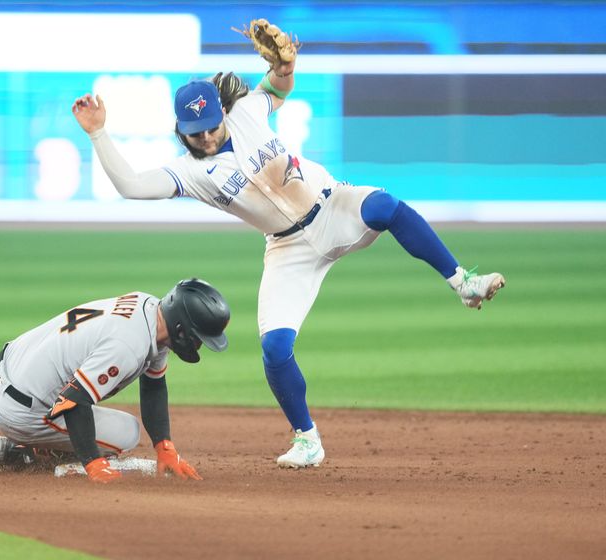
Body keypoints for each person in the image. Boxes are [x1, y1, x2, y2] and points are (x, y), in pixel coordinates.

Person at [71, 44, 505, 470]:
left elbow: (278, 86)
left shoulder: (244, 113)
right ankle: (307, 440)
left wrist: (285, 63)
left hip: (331, 206)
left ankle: (463, 282)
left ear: (221, 113)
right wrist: (97, 132)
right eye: (193, 130)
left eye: (209, 124)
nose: (204, 135)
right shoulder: (189, 172)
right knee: (275, 348)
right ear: (180, 129)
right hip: (287, 248)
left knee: (385, 206)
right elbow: (130, 185)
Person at [0, 278, 230, 483]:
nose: (199, 345)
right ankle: (28, 451)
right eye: (199, 337)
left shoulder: (151, 311)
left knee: (80, 398)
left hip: (1, 371)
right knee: (126, 433)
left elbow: (154, 385)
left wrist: (164, 446)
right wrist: (93, 462)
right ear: (180, 328)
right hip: (19, 410)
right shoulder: (127, 346)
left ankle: (33, 443)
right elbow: (73, 400)